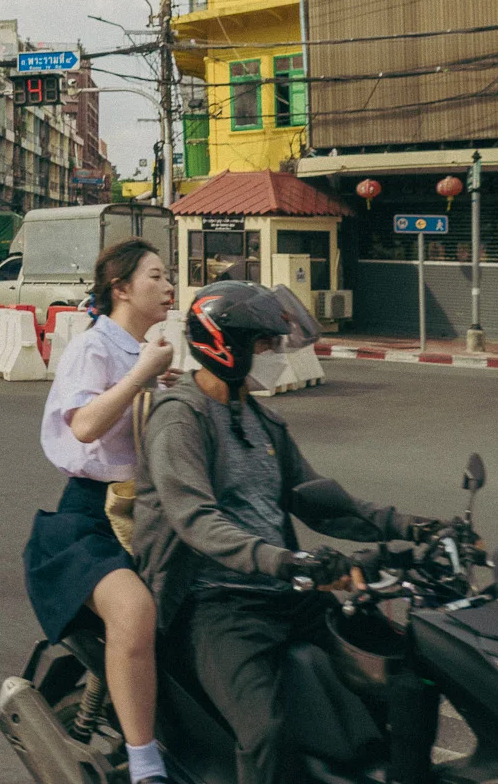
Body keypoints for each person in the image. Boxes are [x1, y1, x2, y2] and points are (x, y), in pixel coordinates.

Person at [131, 281, 430, 784]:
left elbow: (318, 499)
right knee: (264, 732)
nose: (274, 355)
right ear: (227, 347)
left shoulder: (263, 420)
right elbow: (197, 521)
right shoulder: (179, 419)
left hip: (289, 592)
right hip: (217, 603)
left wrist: (411, 526)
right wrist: (286, 561)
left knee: (400, 679)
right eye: (265, 344)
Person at [23, 237, 178, 784]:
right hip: (91, 518)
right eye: (156, 276)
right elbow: (84, 424)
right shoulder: (95, 348)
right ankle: (145, 765)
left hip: (153, 516)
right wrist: (142, 376)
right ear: (121, 288)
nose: (168, 286)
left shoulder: (146, 352)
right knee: (133, 613)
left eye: (168, 277)